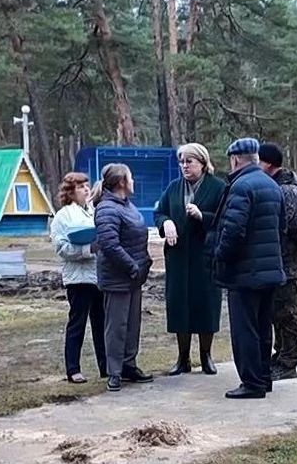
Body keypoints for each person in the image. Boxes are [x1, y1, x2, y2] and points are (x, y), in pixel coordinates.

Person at [207, 137, 285, 399]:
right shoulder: (272, 185)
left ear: (236, 160)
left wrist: (219, 256)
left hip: (245, 273)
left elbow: (233, 230)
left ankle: (251, 383)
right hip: (271, 270)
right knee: (263, 328)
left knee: (245, 330)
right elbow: (281, 229)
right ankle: (263, 378)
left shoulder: (241, 187)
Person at [153, 143, 225, 375]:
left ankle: (206, 356)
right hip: (178, 256)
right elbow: (159, 211)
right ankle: (182, 358)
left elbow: (225, 218)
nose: (185, 166)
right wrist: (166, 222)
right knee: (179, 305)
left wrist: (202, 215)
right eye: (182, 162)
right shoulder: (174, 188)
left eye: (189, 162)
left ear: (202, 164)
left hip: (204, 256)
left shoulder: (218, 187)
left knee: (205, 305)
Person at [94, 163, 154, 391]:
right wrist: (132, 266)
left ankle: (129, 365)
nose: (133, 182)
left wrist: (143, 263)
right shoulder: (107, 208)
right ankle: (114, 372)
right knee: (116, 326)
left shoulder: (126, 205)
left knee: (131, 325)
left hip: (133, 277)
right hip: (118, 277)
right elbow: (110, 244)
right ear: (121, 182)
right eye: (130, 178)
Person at [258, 143, 297, 381]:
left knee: (287, 314)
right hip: (278, 260)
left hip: (288, 262)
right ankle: (280, 354)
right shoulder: (276, 186)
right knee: (276, 312)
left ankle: (289, 361)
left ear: (268, 164)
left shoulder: (288, 191)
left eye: (258, 161)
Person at [49, 172, 107, 384]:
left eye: (86, 185)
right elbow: (62, 248)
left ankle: (105, 367)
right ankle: (73, 369)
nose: (86, 189)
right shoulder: (63, 216)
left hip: (97, 276)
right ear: (70, 192)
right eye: (81, 186)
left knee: (101, 324)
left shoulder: (93, 211)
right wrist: (87, 248)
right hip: (78, 278)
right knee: (78, 324)